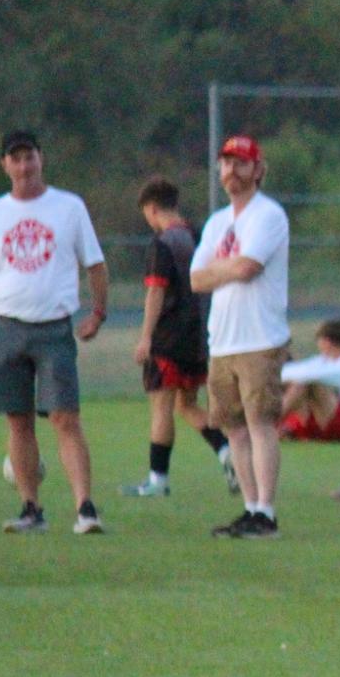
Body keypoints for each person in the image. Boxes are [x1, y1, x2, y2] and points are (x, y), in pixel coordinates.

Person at [0, 129, 109, 534]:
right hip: (6, 326)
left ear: (41, 160)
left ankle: (85, 507)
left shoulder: (68, 207)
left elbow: (95, 264)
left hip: (53, 327)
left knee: (64, 416)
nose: (24, 166)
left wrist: (98, 312)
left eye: (30, 157)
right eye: (16, 158)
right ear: (5, 165)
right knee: (19, 420)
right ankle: (31, 507)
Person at [191, 135, 291, 539]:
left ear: (258, 169)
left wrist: (224, 266)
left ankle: (266, 511)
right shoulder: (218, 222)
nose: (232, 171)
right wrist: (226, 268)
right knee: (233, 429)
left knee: (260, 424)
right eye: (226, 163)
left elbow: (248, 267)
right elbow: (197, 279)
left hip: (259, 337)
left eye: (241, 163)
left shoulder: (268, 215)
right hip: (224, 340)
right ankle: (249, 507)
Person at [121, 176, 233, 498]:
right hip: (199, 335)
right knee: (188, 404)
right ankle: (228, 454)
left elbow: (156, 292)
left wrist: (145, 338)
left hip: (168, 337)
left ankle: (158, 480)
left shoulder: (162, 243)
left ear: (152, 209)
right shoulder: (199, 235)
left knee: (162, 407)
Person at [278, 319, 340, 442]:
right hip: (332, 423)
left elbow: (308, 374)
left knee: (305, 383)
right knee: (298, 383)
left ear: (326, 342)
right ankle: (285, 426)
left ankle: (269, 425)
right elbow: (301, 368)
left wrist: (273, 377)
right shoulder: (325, 361)